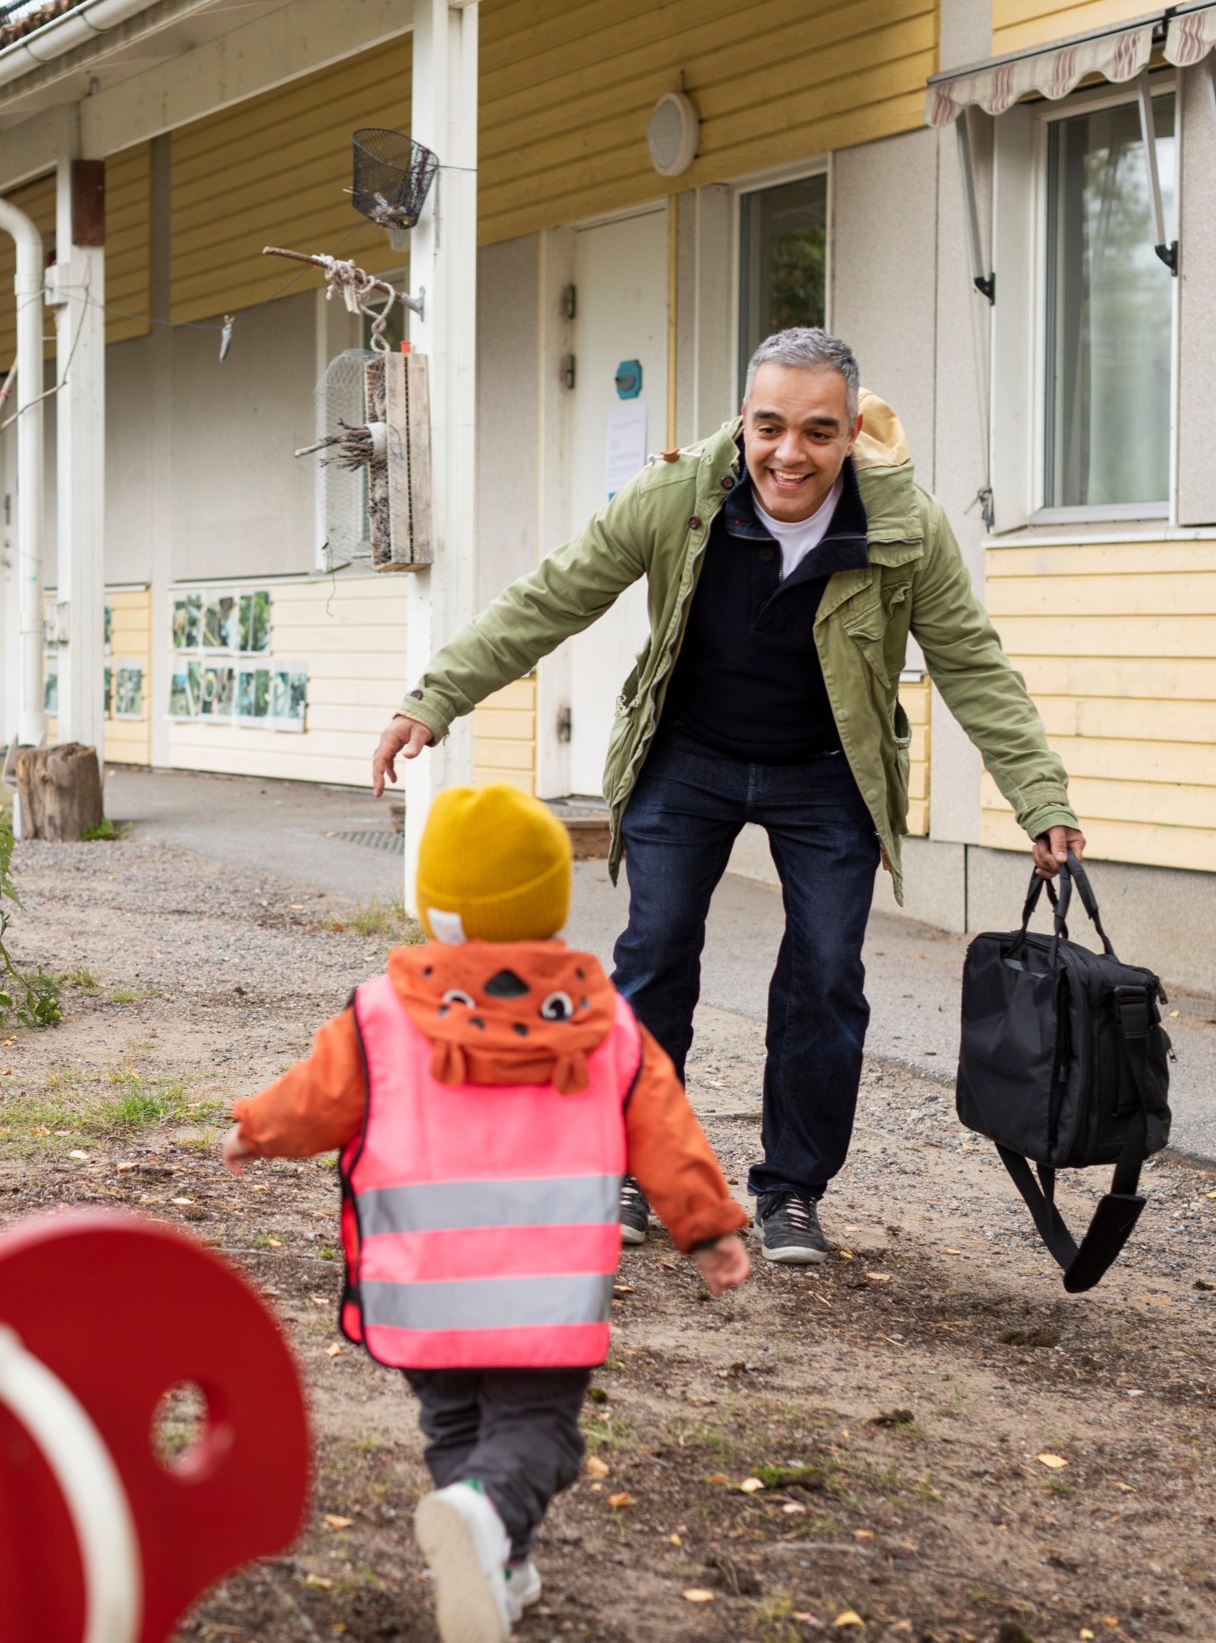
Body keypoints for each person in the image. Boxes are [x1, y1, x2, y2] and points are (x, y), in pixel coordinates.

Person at [371, 328, 1085, 1267]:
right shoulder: (675, 497)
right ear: (741, 421)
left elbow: (972, 665)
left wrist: (1041, 798)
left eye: (818, 432)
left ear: (850, 432)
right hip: (688, 757)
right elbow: (552, 597)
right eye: (770, 427)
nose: (790, 453)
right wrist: (436, 696)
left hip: (828, 771)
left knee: (826, 976)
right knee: (656, 952)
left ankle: (790, 1192)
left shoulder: (905, 527)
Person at [221, 783, 749, 1643]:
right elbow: (664, 1130)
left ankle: (495, 1564)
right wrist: (708, 1227)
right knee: (540, 1434)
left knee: (456, 1423)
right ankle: (485, 1520)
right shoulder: (602, 1020)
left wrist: (255, 1130)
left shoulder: (381, 1012)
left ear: (436, 903)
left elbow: (312, 1101)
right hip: (543, 1296)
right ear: (550, 898)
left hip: (421, 1290)